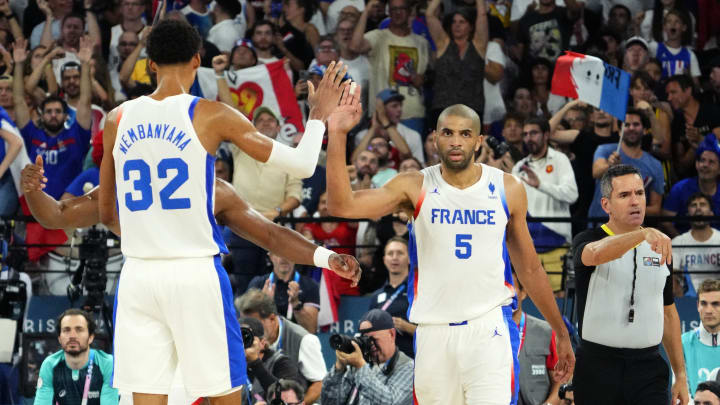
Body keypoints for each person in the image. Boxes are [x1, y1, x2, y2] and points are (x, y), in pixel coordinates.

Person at [95, 19, 359, 405]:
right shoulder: (211, 114)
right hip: (192, 274)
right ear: (197, 60)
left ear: (150, 64)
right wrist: (317, 115)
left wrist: (149, 236)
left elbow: (106, 213)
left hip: (137, 276)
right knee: (223, 396)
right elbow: (303, 164)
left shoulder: (116, 119)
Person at [325, 94, 574, 403]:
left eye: (465, 133)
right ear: (435, 139)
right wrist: (336, 133)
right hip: (433, 331)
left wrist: (561, 333)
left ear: (479, 140)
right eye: (448, 133)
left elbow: (530, 268)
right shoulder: (414, 185)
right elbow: (340, 204)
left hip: (488, 330)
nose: (456, 141)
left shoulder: (507, 188)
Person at [570, 164, 689, 404]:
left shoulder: (660, 246)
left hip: (648, 369)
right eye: (624, 195)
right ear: (606, 205)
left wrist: (681, 375)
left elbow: (668, 314)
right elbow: (594, 255)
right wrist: (641, 235)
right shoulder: (588, 239)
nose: (635, 201)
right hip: (597, 368)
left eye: (640, 193)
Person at [511, 117, 577, 292]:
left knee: (557, 304)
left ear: (546, 134)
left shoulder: (560, 160)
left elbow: (572, 194)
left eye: (533, 133)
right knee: (527, 301)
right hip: (527, 249)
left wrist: (541, 185)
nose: (528, 138)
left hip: (557, 245)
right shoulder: (519, 167)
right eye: (525, 134)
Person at [236, 289, 327, 405]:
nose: (248, 329)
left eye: (254, 322)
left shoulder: (304, 340)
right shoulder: (241, 348)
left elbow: (320, 383)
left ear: (272, 318)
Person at [321, 309, 414, 405]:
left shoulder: (408, 367)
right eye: (366, 340)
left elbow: (390, 401)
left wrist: (360, 366)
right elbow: (329, 402)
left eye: (375, 339)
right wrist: (339, 369)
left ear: (391, 334)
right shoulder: (360, 363)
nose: (371, 345)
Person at [587, 108, 664, 220]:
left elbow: (656, 209)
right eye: (626, 125)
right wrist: (610, 165)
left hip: (632, 230)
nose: (631, 128)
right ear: (619, 131)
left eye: (636, 124)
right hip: (599, 226)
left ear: (645, 130)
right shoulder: (605, 150)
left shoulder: (655, 165)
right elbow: (596, 173)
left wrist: (628, 209)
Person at [34, 309, 118, 405]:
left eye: (79, 330)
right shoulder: (50, 365)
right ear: (59, 339)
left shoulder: (107, 363)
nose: (72, 336)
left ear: (90, 337)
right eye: (66, 330)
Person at [511, 271, 562, 405]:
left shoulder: (546, 331)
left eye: (512, 287)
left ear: (523, 293)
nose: (506, 295)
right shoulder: (485, 333)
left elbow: (560, 382)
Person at [247, 251, 321, 333]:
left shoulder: (310, 285)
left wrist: (297, 305)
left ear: (296, 256)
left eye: (288, 252)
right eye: (279, 253)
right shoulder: (258, 284)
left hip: (298, 342)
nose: (284, 258)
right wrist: (264, 305)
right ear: (270, 256)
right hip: (267, 343)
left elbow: (311, 329)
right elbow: (250, 327)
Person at [663, 138, 720, 237]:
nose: (705, 165)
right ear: (696, 164)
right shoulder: (680, 188)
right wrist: (683, 244)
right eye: (702, 160)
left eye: (711, 162)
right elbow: (665, 222)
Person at [369, 236, 415, 358]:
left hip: (412, 362)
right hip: (382, 363)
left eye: (400, 253)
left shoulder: (418, 292)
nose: (394, 257)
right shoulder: (376, 296)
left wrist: (406, 327)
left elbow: (433, 334)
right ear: (384, 260)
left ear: (410, 258)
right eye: (390, 253)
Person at [240, 317, 305, 401]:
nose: (242, 342)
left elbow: (286, 398)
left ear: (262, 343)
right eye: (238, 338)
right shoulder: (231, 366)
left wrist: (255, 363)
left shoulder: (282, 363)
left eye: (246, 338)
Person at [671, 194, 720, 295]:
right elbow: (672, 278)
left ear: (711, 213)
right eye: (694, 205)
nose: (698, 208)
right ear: (688, 214)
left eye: (702, 204)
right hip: (687, 301)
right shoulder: (677, 242)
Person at [682, 279, 720, 398]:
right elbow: (680, 394)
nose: (708, 310)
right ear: (697, 305)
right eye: (704, 303)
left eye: (715, 304)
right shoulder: (683, 343)